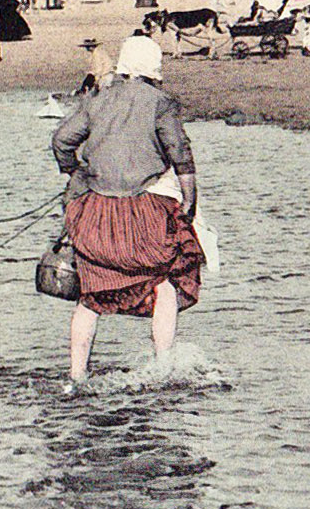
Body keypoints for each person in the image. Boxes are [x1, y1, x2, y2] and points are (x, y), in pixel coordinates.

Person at [50, 36, 205, 390]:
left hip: (96, 215)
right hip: (145, 215)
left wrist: (74, 171)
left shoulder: (98, 98)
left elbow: (61, 140)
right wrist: (189, 201)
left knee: (90, 295)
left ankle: (76, 378)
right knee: (165, 281)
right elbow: (181, 156)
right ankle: (164, 369)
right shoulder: (160, 102)